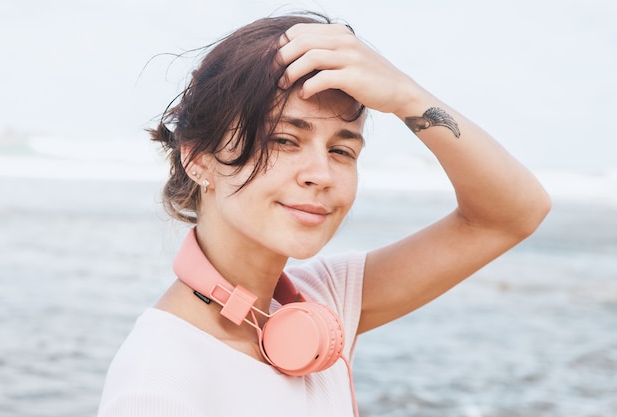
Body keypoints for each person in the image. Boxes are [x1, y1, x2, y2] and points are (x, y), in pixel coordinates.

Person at [97, 11, 551, 417]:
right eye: (284, 141)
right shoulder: (157, 384)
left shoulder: (318, 307)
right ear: (198, 159)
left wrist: (407, 98)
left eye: (341, 149)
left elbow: (513, 213)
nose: (321, 174)